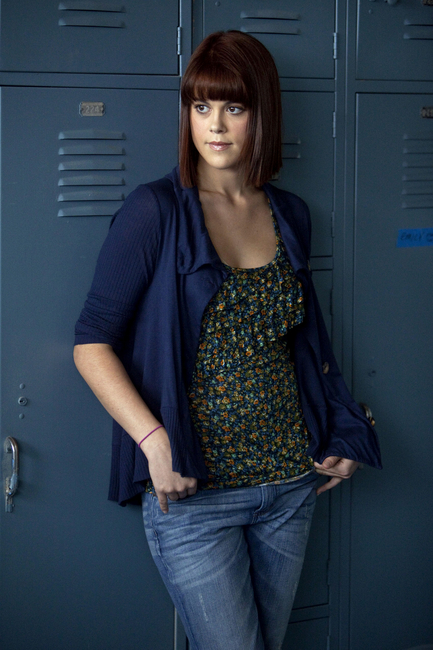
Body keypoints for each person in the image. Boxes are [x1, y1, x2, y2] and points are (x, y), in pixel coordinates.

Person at [74, 30, 381, 650]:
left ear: (262, 115)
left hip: (290, 485)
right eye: (201, 106)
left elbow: (305, 346)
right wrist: (153, 441)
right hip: (196, 496)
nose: (214, 126)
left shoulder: (290, 214)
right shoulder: (155, 210)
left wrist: (346, 427)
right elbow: (91, 342)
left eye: (233, 107)